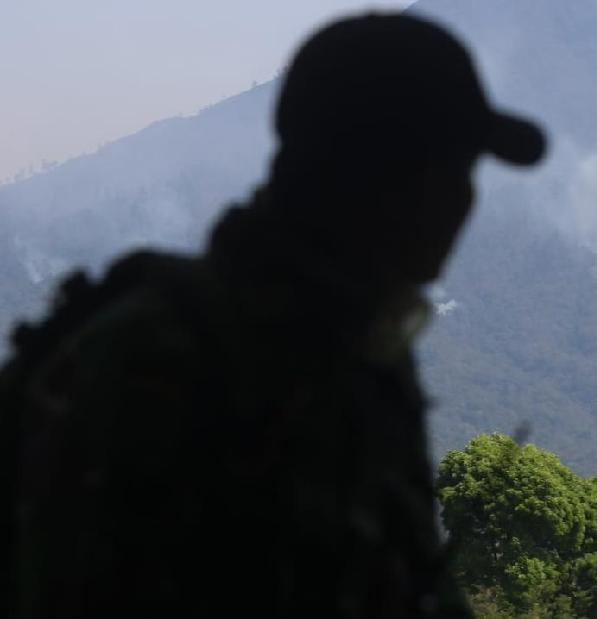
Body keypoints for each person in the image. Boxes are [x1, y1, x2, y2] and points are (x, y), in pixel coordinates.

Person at [0, 12, 545, 618]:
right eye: (458, 171)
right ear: (410, 179)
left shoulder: (358, 359)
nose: (464, 201)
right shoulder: (164, 358)